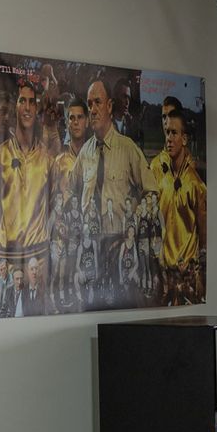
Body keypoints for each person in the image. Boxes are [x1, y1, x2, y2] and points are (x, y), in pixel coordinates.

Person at [77, 77, 150, 300]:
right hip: (91, 248)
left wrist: (133, 224)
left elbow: (151, 191)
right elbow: (69, 190)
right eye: (89, 104)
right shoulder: (85, 153)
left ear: (109, 106)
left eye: (98, 102)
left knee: (120, 315)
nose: (93, 109)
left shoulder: (128, 149)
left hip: (120, 246)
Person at [0, 79, 52, 308]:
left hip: (40, 254)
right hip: (8, 255)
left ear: (36, 109)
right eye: (22, 101)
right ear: (15, 107)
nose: (27, 107)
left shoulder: (47, 159)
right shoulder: (0, 155)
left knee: (39, 316)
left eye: (32, 102)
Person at [155, 104, 206, 305]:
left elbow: (204, 235)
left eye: (174, 133)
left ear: (184, 139)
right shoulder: (160, 174)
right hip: (164, 274)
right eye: (167, 132)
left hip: (187, 277)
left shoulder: (195, 185)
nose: (168, 138)